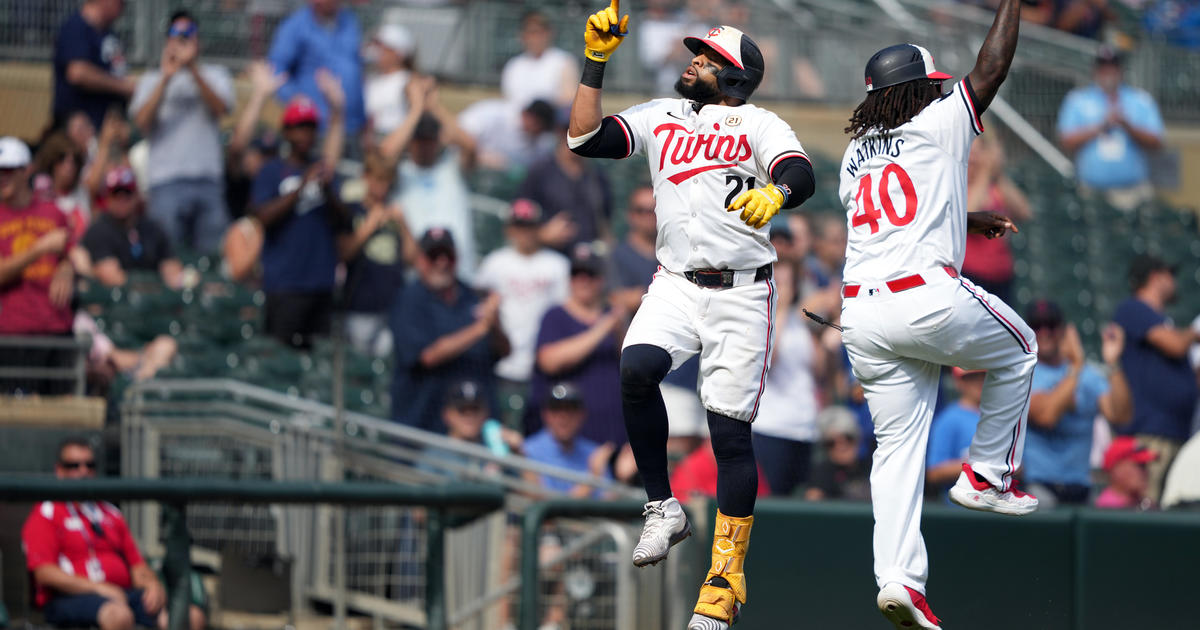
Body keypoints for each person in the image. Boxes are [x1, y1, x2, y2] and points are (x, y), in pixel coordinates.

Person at [566, 7, 817, 627]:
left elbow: (800, 172)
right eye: (696, 52)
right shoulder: (661, 114)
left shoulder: (757, 121)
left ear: (732, 74)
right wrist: (595, 62)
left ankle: (724, 582)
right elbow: (583, 139)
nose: (693, 60)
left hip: (742, 293)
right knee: (635, 368)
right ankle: (662, 506)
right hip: (676, 280)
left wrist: (777, 193)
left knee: (728, 435)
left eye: (706, 56)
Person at [838, 3, 1036, 627]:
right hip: (922, 298)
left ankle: (898, 579)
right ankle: (985, 475)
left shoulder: (853, 155)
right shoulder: (939, 120)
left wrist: (964, 219)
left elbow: (897, 209)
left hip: (861, 313)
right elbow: (993, 66)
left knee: (897, 450)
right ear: (921, 91)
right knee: (1022, 346)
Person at [22, 438, 206, 630]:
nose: (83, 472)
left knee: (192, 617)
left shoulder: (110, 513)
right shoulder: (46, 512)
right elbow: (44, 573)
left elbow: (137, 566)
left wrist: (152, 584)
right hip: (68, 599)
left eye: (90, 465)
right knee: (119, 615)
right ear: (59, 470)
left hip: (119, 595)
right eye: (74, 466)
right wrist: (99, 588)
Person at [607, 186, 707, 463]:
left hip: (690, 366)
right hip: (653, 362)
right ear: (629, 215)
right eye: (640, 211)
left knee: (697, 450)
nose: (648, 217)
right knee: (672, 448)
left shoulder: (678, 251)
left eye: (653, 210)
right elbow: (616, 300)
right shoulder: (619, 255)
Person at [251, 74, 352, 349]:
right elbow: (263, 218)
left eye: (309, 127)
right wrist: (299, 189)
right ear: (286, 131)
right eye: (298, 127)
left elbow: (345, 222)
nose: (304, 134)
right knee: (281, 359)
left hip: (320, 282)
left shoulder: (325, 171)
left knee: (316, 362)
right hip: (284, 284)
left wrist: (329, 190)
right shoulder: (272, 171)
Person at [129, 10, 234, 255]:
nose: (183, 39)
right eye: (177, 34)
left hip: (208, 181)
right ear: (168, 40)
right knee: (167, 257)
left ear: (199, 40)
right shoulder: (151, 79)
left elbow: (221, 108)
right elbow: (142, 121)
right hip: (166, 182)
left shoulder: (216, 75)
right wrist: (166, 78)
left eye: (189, 34)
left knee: (213, 257)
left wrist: (193, 69)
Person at [389, 228, 510, 433]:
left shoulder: (474, 296)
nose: (442, 263)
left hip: (475, 426)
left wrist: (495, 323)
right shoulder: (409, 299)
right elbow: (427, 356)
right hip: (423, 424)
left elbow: (504, 351)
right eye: (434, 256)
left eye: (448, 256)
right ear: (420, 260)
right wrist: (480, 328)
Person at [1024, 300, 1133, 507]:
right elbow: (1046, 416)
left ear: (1064, 330)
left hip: (1082, 487)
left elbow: (1120, 416)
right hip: (1040, 487)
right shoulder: (1024, 372)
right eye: (1036, 326)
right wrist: (1075, 366)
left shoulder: (1089, 375)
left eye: (1052, 325)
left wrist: (1113, 363)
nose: (1045, 332)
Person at [474, 199, 570, 431]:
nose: (524, 231)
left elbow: (563, 312)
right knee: (497, 428)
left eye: (529, 225)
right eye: (519, 225)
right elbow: (476, 302)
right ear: (509, 228)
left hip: (540, 366)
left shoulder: (557, 265)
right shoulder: (495, 262)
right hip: (501, 363)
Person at [1112, 255, 1200, 503]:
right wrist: (1194, 334)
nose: (1173, 281)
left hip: (1172, 433)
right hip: (1151, 435)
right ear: (1155, 277)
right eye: (1169, 274)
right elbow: (1174, 345)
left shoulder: (1161, 319)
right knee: (1148, 506)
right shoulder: (1134, 308)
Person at [380, 77, 481, 276]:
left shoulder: (452, 168)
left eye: (430, 140)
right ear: (410, 142)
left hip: (460, 272)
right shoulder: (401, 172)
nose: (425, 145)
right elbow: (383, 155)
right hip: (418, 275)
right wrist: (416, 108)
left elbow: (470, 145)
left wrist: (434, 106)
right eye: (419, 140)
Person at [751, 226, 824, 497]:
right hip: (772, 428)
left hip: (804, 427)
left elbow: (818, 371)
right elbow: (770, 360)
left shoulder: (799, 320)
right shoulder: (761, 318)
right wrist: (778, 309)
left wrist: (819, 332)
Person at [0, 137, 76, 395]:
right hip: (13, 334)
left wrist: (66, 270)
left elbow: (68, 255)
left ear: (26, 170)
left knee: (62, 415)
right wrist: (39, 249)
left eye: (8, 171)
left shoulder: (52, 211)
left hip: (57, 330)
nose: (2, 178)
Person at [532, 244, 626, 446]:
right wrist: (601, 328)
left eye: (589, 274)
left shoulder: (613, 319)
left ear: (601, 280)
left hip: (612, 436)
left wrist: (618, 329)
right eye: (577, 274)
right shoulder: (555, 316)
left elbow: (627, 366)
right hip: (568, 439)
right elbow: (549, 361)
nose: (583, 281)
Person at [1057, 45, 1164, 211]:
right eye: (1103, 68)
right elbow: (1066, 141)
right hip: (1091, 191)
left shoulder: (1140, 100)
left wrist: (1127, 126)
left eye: (1112, 67)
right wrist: (1100, 127)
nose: (1108, 73)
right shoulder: (1077, 100)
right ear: (1095, 70)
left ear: (1120, 70)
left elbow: (1156, 142)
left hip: (1133, 192)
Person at [339, 151, 417, 357]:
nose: (383, 188)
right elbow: (344, 252)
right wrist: (369, 226)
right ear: (365, 177)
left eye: (388, 182)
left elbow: (412, 258)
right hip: (360, 308)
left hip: (392, 309)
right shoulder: (351, 209)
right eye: (378, 179)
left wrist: (404, 224)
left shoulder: (395, 216)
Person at [269, 0, 367, 137]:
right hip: (318, 127)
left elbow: (356, 68)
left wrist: (364, 119)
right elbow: (276, 69)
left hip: (352, 124)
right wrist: (293, 97)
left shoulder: (349, 21)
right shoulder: (296, 25)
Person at [518, 116, 614, 253]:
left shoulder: (598, 175)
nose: (575, 135)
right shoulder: (540, 171)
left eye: (582, 130)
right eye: (568, 130)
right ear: (558, 132)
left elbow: (606, 223)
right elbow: (518, 219)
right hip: (548, 257)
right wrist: (541, 235)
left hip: (588, 263)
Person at [81, 166, 183, 289]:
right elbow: (112, 278)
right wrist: (156, 286)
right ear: (108, 197)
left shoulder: (152, 228)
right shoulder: (98, 230)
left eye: (127, 193)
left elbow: (172, 270)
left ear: (136, 195)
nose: (122, 199)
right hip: (115, 304)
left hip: (155, 301)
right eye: (116, 194)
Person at [961, 135, 1032, 304]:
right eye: (971, 152)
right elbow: (969, 215)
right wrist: (985, 174)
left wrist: (998, 174)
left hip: (1002, 277)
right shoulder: (961, 186)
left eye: (979, 152)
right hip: (972, 276)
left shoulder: (995, 187)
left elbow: (1024, 211)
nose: (974, 158)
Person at [52, 0, 134, 131]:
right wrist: (124, 86)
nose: (124, 4)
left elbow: (118, 70)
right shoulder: (76, 27)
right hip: (83, 131)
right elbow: (77, 73)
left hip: (108, 127)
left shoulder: (108, 33)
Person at [522, 381, 613, 497]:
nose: (563, 417)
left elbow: (609, 503)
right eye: (556, 409)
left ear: (582, 415)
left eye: (571, 409)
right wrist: (593, 478)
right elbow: (546, 506)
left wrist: (623, 479)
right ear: (545, 414)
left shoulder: (594, 452)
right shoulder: (528, 451)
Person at [925, 368, 986, 501]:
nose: (980, 383)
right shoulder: (948, 419)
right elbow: (934, 473)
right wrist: (979, 465)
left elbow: (1020, 466)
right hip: (960, 507)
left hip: (999, 507)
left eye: (985, 377)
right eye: (972, 378)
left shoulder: (1002, 417)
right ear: (959, 382)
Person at [501, 11, 578, 109]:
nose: (535, 38)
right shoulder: (513, 65)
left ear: (549, 33)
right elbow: (508, 100)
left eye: (539, 32)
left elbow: (569, 98)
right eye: (531, 33)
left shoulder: (563, 61)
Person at [805, 406, 873, 502]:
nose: (841, 446)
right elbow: (812, 505)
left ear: (857, 439)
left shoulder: (872, 468)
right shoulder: (821, 472)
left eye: (848, 438)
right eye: (831, 443)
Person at [364, 23, 418, 140]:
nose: (376, 50)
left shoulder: (408, 80)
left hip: (395, 141)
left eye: (382, 46)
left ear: (398, 53)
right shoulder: (372, 79)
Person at [1094, 435, 1157, 510]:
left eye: (1145, 466)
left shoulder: (1143, 503)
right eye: (1140, 466)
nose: (1146, 472)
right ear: (1117, 470)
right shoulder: (1108, 508)